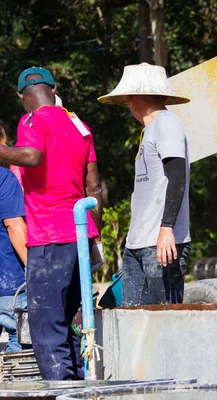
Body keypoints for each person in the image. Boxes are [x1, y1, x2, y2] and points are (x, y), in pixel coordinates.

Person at [0, 67, 103, 379]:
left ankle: (60, 392)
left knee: (46, 327)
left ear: (22, 97)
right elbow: (94, 186)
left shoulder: (32, 120)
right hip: (80, 236)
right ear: (54, 88)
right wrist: (93, 235)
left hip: (49, 237)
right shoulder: (79, 124)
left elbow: (31, 155)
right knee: (71, 321)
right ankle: (77, 389)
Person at [98, 63, 191, 306]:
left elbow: (177, 175)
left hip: (160, 243)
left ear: (132, 97)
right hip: (137, 243)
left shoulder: (167, 123)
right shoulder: (148, 131)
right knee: (136, 322)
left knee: (165, 321)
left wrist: (167, 228)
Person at [0, 120, 28, 353]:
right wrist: (35, 268)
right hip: (8, 283)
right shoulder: (5, 179)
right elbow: (14, 226)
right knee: (20, 342)